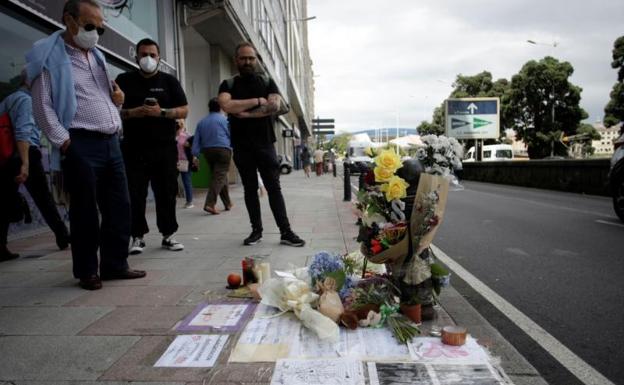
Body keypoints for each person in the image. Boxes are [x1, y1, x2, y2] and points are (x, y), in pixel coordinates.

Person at [26, 0, 145, 290]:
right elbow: (42, 108)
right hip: (79, 142)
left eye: (100, 29)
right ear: (70, 20)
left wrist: (119, 103)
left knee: (120, 207)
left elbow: (103, 97)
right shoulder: (48, 57)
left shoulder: (97, 56)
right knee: (84, 212)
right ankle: (87, 271)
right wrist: (66, 144)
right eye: (90, 26)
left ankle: (115, 264)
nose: (95, 33)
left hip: (110, 141)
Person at [218, 41, 305, 247]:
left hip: (265, 143)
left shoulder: (267, 82)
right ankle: (256, 231)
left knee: (274, 187)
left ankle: (286, 232)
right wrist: (258, 101)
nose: (248, 61)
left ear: (256, 60)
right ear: (236, 60)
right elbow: (226, 105)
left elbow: (274, 105)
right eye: (244, 58)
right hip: (241, 145)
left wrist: (246, 114)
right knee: (250, 189)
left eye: (251, 58)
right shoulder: (228, 84)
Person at [116, 38, 189, 254]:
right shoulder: (124, 80)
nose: (148, 58)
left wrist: (163, 112)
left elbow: (184, 110)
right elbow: (113, 110)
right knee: (135, 193)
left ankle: (169, 234)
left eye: (152, 55)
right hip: (133, 147)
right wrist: (132, 112)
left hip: (164, 147)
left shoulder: (169, 81)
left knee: (166, 192)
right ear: (136, 56)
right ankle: (137, 236)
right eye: (144, 54)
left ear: (159, 57)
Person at [2, 71, 70, 251]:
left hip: (7, 156)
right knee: (43, 198)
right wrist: (25, 163)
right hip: (25, 153)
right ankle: (63, 235)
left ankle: (1, 248)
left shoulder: (9, 100)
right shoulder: (26, 101)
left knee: (5, 200)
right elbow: (23, 132)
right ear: (29, 81)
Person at [191, 98, 232, 215]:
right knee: (219, 176)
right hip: (223, 150)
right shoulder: (225, 120)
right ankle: (210, 204)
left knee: (219, 175)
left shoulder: (201, 122)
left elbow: (196, 141)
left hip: (208, 151)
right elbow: (231, 135)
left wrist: (195, 155)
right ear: (220, 107)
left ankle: (227, 203)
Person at [176, 119, 194, 209]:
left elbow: (193, 145)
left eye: (180, 123)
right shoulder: (173, 135)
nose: (178, 125)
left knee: (186, 181)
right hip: (175, 161)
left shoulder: (187, 135)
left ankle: (189, 201)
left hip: (184, 161)